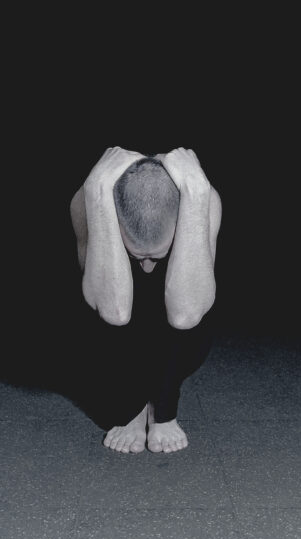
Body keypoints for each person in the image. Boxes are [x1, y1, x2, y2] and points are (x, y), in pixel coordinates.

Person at [70, 147, 222, 453]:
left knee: (186, 299)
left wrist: (197, 193)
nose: (149, 267)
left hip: (179, 310)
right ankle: (134, 405)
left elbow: (186, 314)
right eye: (137, 256)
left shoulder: (203, 197)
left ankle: (161, 408)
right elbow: (114, 311)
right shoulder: (88, 201)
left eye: (158, 256)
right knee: (109, 302)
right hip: (113, 311)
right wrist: (97, 189)